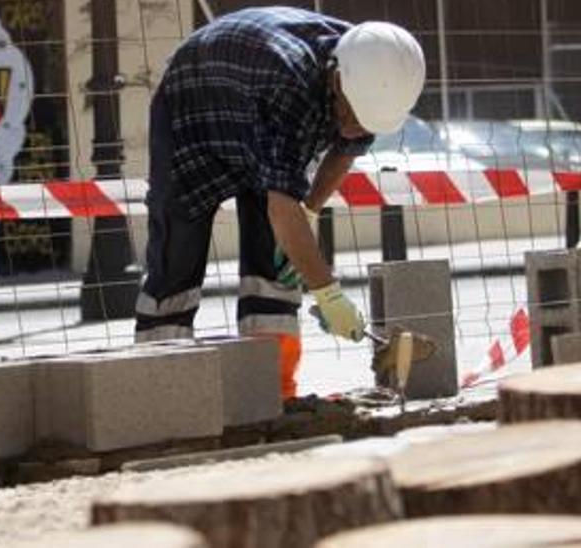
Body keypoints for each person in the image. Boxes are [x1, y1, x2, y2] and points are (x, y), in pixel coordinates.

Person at [133, 7, 428, 399]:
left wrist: (310, 209)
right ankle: (161, 396)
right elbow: (280, 208)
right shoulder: (291, 83)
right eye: (353, 114)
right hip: (192, 109)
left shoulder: (376, 72)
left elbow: (343, 152)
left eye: (368, 122)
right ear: (337, 79)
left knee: (273, 264)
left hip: (255, 111)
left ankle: (271, 392)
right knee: (177, 258)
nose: (357, 126)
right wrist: (328, 292)